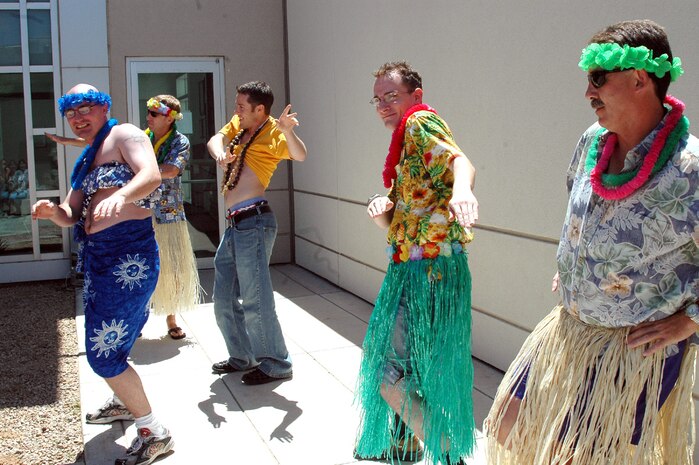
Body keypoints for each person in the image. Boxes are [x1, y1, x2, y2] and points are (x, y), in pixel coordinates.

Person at [484, 20, 698, 465]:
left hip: (632, 349)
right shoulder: (592, 142)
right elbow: (578, 206)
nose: (588, 92)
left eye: (598, 79)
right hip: (570, 327)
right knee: (506, 423)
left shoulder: (690, 167)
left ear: (640, 78)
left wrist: (691, 321)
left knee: (575, 457)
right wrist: (575, 262)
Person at [32, 84, 174, 465]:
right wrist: (52, 212)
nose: (78, 118)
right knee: (116, 341)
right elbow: (71, 213)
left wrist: (121, 195)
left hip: (130, 258)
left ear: (104, 108)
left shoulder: (124, 134)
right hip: (97, 262)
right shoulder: (86, 161)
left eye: (86, 109)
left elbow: (152, 174)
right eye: (71, 112)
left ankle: (154, 432)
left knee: (102, 354)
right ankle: (123, 402)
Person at [354, 61, 479, 465]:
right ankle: (404, 443)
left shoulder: (420, 122)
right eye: (378, 99)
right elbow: (411, 220)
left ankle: (447, 455)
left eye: (392, 95)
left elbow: (461, 161)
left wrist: (463, 191)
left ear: (414, 97)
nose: (384, 105)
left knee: (385, 375)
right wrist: (384, 215)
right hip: (419, 267)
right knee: (414, 366)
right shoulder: (405, 144)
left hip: (428, 273)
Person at [46, 95, 203, 340]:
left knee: (171, 268)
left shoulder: (180, 142)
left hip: (167, 212)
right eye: (148, 112)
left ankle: (171, 318)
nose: (148, 117)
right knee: (138, 272)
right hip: (138, 212)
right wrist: (67, 141)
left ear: (169, 118)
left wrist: (140, 171)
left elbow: (172, 169)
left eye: (154, 114)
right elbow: (100, 146)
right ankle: (134, 320)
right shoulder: (142, 136)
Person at [206, 81, 306, 385]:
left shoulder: (275, 131)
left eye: (240, 105)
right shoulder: (240, 124)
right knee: (223, 298)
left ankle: (276, 363)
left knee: (255, 298)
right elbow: (214, 139)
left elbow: (300, 155)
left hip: (255, 222)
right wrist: (220, 154)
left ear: (258, 109)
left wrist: (289, 130)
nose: (235, 110)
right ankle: (242, 357)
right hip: (235, 224)